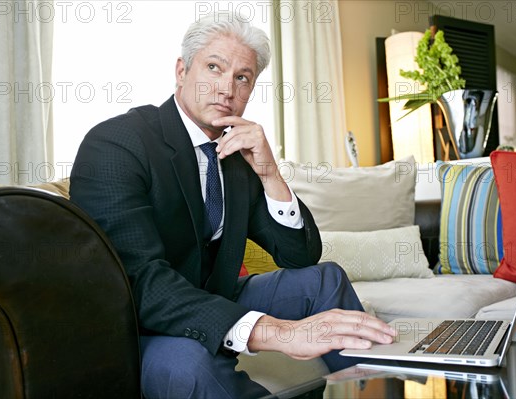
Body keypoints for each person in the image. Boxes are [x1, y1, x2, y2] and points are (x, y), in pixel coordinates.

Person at [70, 12, 396, 399]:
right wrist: (274, 331)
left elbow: (300, 257)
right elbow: (139, 282)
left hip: (214, 293)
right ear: (181, 70)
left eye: (242, 77)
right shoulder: (117, 144)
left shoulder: (236, 155)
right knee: (188, 364)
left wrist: (270, 173)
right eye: (214, 67)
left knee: (325, 278)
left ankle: (378, 387)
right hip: (138, 324)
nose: (227, 88)